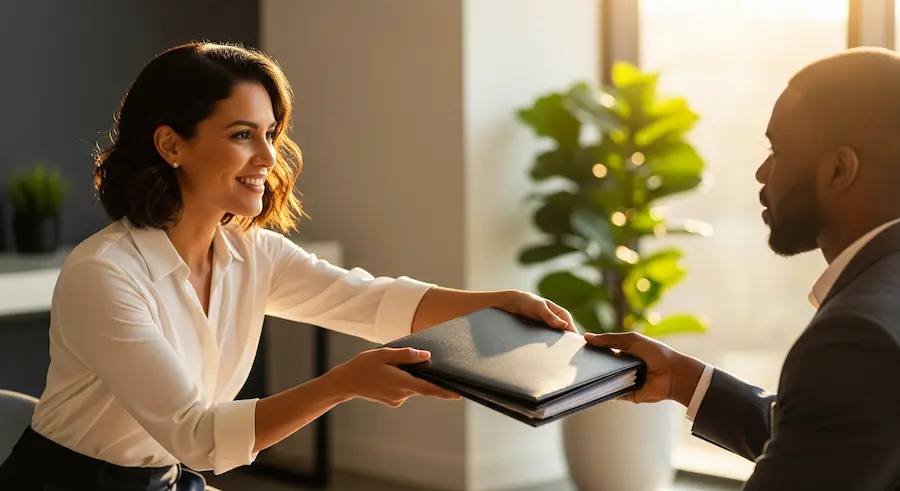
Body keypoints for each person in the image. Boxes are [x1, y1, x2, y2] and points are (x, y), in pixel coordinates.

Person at [0, 41, 575, 491]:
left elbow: (372, 303)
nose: (269, 158)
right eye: (241, 134)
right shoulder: (105, 274)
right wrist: (343, 384)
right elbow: (201, 438)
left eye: (271, 133)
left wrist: (493, 303)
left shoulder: (253, 253)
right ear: (172, 145)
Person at [586, 46, 900, 489]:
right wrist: (682, 378)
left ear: (838, 170)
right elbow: (832, 445)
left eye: (777, 150)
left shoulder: (855, 336)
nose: (761, 172)